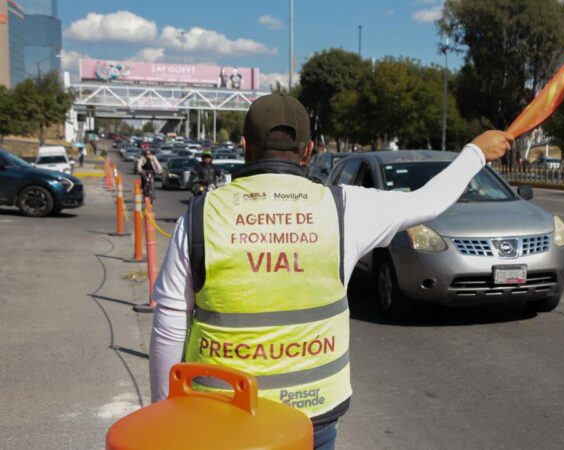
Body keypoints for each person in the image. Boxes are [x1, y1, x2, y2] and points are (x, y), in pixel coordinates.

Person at [148, 94, 512, 449]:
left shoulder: (201, 214)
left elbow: (169, 323)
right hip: (313, 412)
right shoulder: (343, 208)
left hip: (221, 412)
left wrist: (166, 411)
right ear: (309, 151)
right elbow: (427, 201)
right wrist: (475, 152)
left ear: (245, 146)